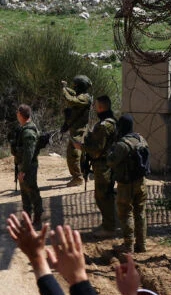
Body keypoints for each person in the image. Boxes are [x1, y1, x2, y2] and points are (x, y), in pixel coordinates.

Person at [106, 113, 150, 253]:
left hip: (126, 184)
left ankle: (128, 245)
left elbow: (111, 161)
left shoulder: (122, 145)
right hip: (141, 182)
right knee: (140, 212)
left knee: (126, 213)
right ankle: (141, 244)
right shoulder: (141, 139)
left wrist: (111, 148)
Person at [81, 94, 118, 236]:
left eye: (96, 106)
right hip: (108, 163)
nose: (95, 109)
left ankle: (109, 227)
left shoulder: (104, 126)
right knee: (105, 194)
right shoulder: (112, 122)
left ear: (101, 107)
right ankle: (107, 224)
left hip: (103, 165)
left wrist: (82, 147)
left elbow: (97, 150)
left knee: (103, 196)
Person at [10, 103, 43, 224]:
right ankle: (27, 217)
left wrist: (23, 170)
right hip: (24, 165)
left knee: (32, 191)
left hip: (28, 166)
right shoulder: (24, 129)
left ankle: (37, 217)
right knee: (25, 193)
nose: (17, 116)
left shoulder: (28, 132)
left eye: (18, 113)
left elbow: (29, 153)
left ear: (21, 115)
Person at [61, 74, 92, 183]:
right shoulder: (84, 96)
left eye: (75, 85)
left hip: (78, 131)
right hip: (80, 129)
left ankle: (77, 177)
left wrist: (64, 90)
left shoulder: (83, 98)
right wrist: (65, 87)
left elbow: (71, 100)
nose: (74, 88)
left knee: (73, 154)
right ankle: (84, 174)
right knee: (82, 153)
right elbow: (73, 94)